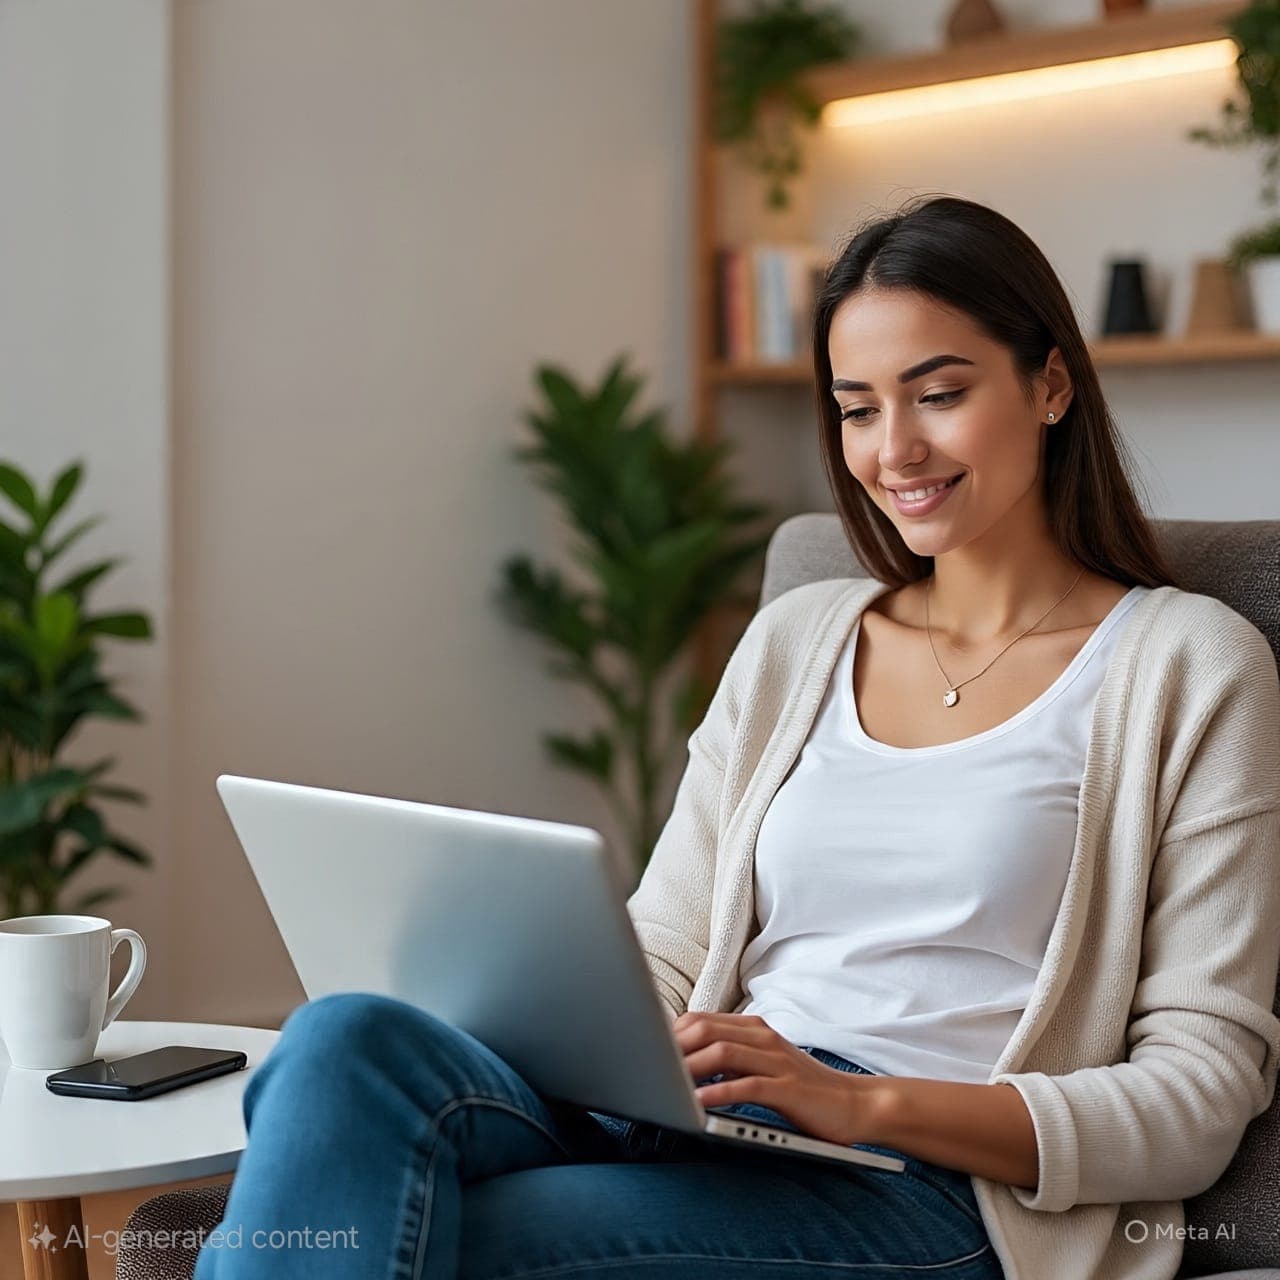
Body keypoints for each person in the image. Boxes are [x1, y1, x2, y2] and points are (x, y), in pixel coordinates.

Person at [193, 194, 1280, 1280]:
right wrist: (630, 1053)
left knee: (416, 1236)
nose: (893, 448)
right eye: (855, 408)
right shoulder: (797, 637)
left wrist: (854, 1100)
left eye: (938, 394)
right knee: (342, 1041)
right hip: (710, 1111)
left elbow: (1196, 1096)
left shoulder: (1187, 665)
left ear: (1049, 384)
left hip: (928, 1192)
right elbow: (666, 947)